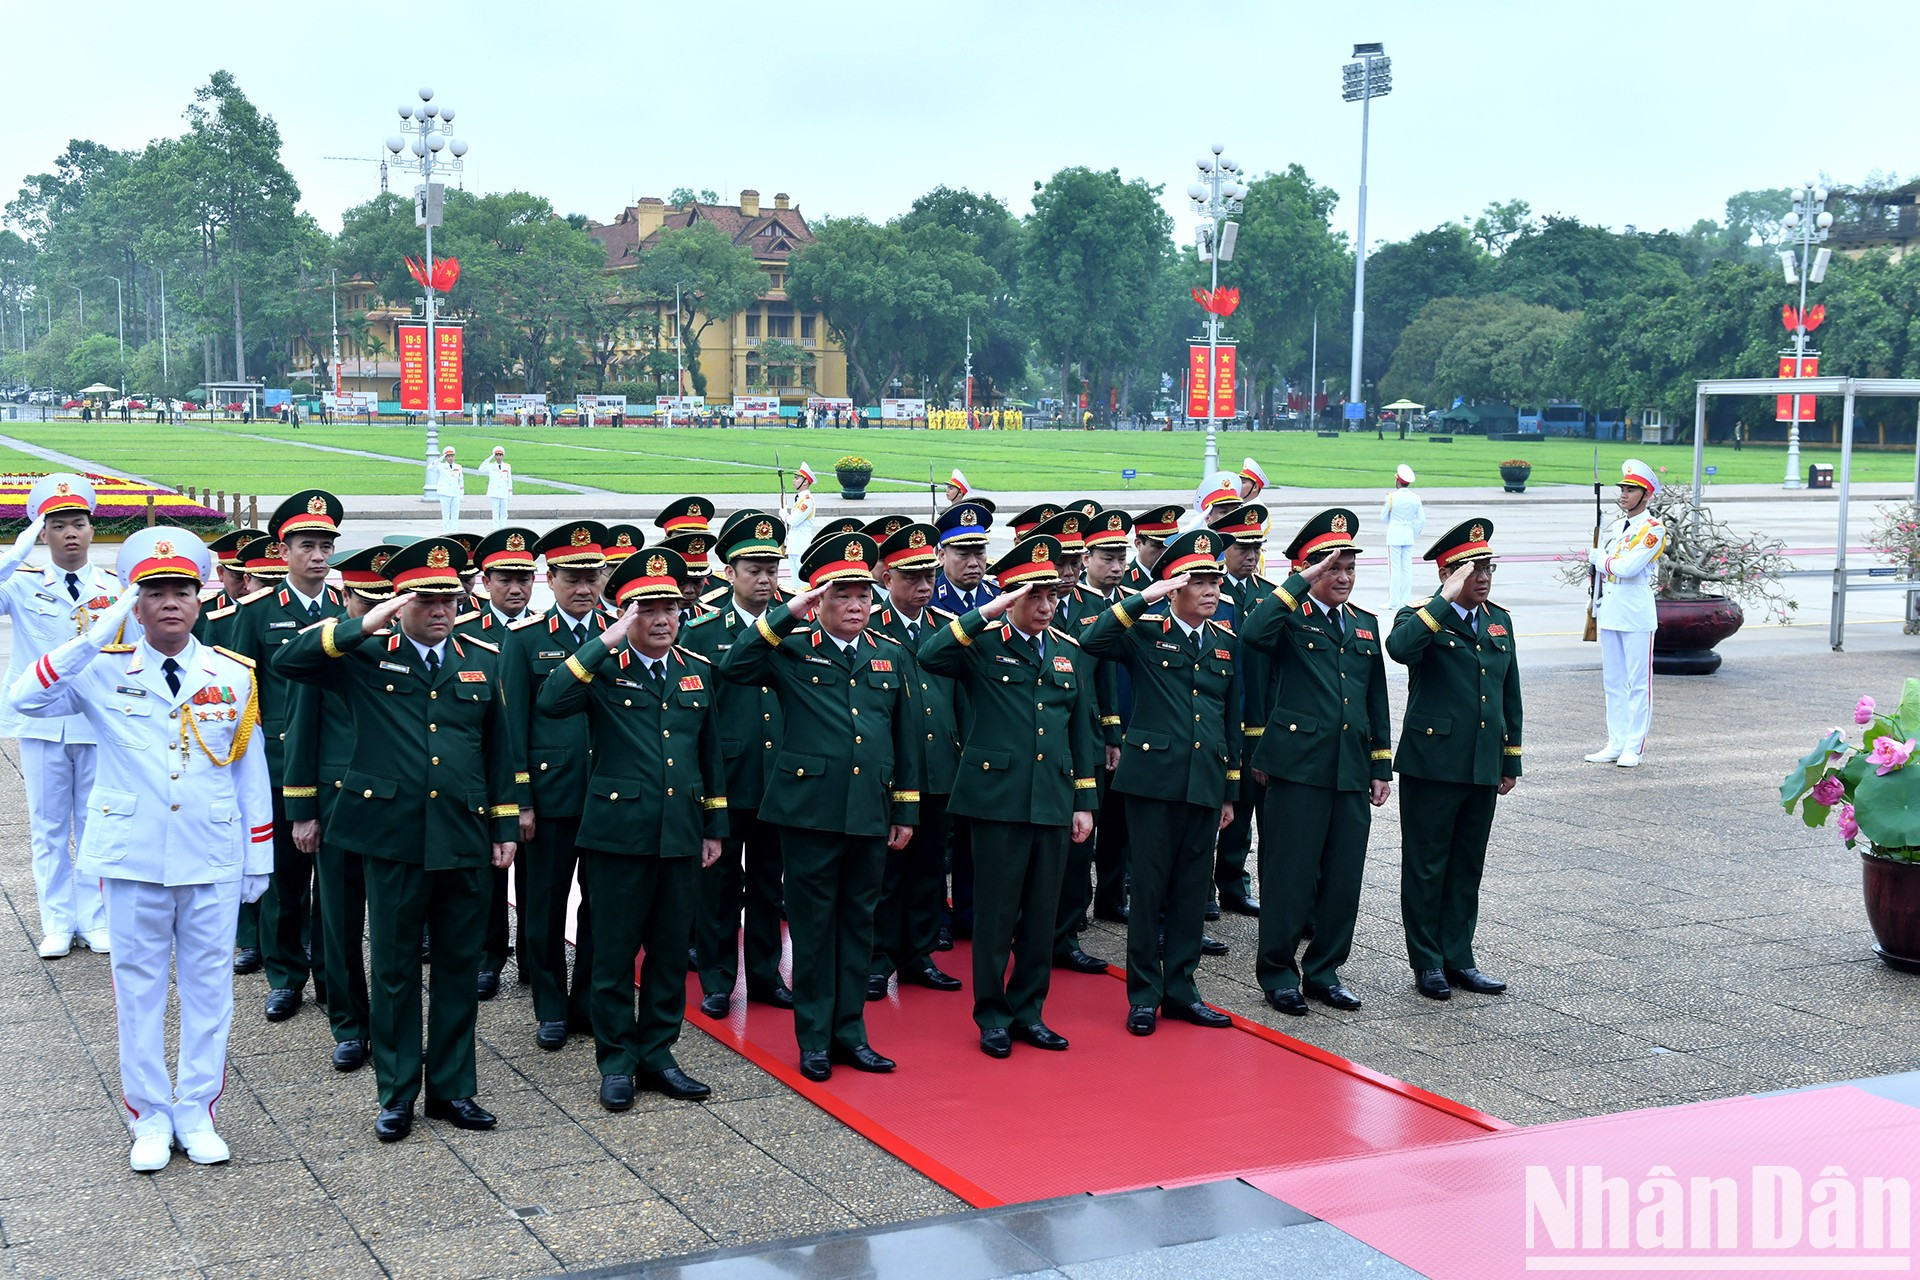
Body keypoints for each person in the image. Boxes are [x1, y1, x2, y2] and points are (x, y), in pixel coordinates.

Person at [8, 528, 271, 1171]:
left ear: (201, 599)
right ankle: (149, 1116)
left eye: (181, 590)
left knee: (210, 992)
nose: (169, 602)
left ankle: (197, 1110)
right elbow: (24, 698)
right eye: (154, 592)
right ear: (134, 601)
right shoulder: (101, 669)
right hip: (131, 857)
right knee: (138, 992)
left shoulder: (231, 674)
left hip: (210, 852)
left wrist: (258, 855)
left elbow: (250, 771)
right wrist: (92, 639)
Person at [274, 537, 521, 1142]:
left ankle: (453, 1088)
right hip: (392, 837)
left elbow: (498, 749)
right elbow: (289, 662)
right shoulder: (364, 654)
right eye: (426, 600)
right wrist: (366, 622)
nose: (441, 610)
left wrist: (504, 826)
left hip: (462, 834)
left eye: (449, 599)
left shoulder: (482, 658)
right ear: (401, 602)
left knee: (458, 968)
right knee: (393, 971)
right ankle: (397, 1092)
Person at [718, 533, 921, 1083]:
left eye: (863, 595)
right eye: (841, 596)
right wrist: (789, 612)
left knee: (858, 926)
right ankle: (813, 1040)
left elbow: (905, 738)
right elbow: (734, 666)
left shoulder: (889, 653)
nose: (855, 606)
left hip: (869, 810)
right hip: (809, 812)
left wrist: (905, 810)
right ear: (818, 599)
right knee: (812, 931)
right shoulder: (791, 648)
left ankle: (850, 1033)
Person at [538, 548, 726, 1111]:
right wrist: (608, 638)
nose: (663, 619)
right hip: (618, 834)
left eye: (670, 608)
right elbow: (551, 700)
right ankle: (617, 1059)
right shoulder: (602, 668)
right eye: (648, 610)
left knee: (668, 953)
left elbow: (709, 754)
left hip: (680, 831)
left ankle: (659, 1054)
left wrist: (713, 825)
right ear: (626, 614)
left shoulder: (696, 670)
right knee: (615, 954)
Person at [918, 534, 1098, 1057]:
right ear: (1011, 598)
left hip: (1052, 799)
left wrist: (1084, 802)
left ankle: (1029, 1011)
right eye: (1033, 597)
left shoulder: (1067, 651)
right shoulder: (983, 644)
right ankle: (992, 1015)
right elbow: (930, 655)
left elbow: (1079, 733)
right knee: (996, 917)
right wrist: (986, 612)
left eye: (1052, 597)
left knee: (1041, 916)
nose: (1045, 607)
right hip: (997, 800)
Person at [1080, 529, 1240, 1037]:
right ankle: (1145, 994)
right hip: (1153, 781)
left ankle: (1183, 990)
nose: (1211, 590)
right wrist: (1143, 597)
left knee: (1192, 890)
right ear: (1174, 588)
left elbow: (1229, 720)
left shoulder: (1223, 641)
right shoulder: (1146, 631)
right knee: (1149, 891)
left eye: (1215, 581)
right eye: (1200, 582)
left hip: (1204, 780)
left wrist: (1229, 791)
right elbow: (1092, 639)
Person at [1239, 509, 1392, 1016]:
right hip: (1298, 767)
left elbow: (1375, 700)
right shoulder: (1287, 615)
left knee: (1342, 880)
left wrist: (1379, 766)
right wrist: (1300, 582)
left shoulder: (1364, 624)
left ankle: (1325, 971)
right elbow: (1253, 634)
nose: (1343, 578)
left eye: (1349, 568)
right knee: (1289, 876)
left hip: (1349, 769)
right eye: (1333, 568)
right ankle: (1278, 973)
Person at [222, 490, 345, 1023]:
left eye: (325, 546)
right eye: (306, 546)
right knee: (284, 880)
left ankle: (331, 975)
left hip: (335, 764)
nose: (317, 556)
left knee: (335, 883)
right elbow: (237, 690)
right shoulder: (257, 611)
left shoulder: (345, 608)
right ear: (283, 550)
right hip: (276, 763)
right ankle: (285, 975)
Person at [280, 544, 403, 1072]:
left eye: (385, 602)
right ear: (346, 596)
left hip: (394, 806)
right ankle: (350, 1023)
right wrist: (303, 809)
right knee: (340, 918)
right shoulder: (326, 647)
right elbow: (300, 730)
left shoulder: (404, 649)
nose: (375, 613)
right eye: (366, 602)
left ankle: (392, 1026)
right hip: (336, 805)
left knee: (395, 924)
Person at [1388, 518, 1522, 1002]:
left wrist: (1510, 757)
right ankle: (1427, 961)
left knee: (1467, 865)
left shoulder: (1498, 620)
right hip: (1433, 763)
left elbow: (1509, 692)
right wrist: (1443, 600)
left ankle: (1459, 957)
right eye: (1472, 570)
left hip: (1482, 762)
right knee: (1427, 866)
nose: (1483, 578)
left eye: (1488, 568)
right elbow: (1399, 649)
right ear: (1448, 574)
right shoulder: (1420, 616)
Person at [0, 475, 125, 958]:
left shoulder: (114, 587)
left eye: (78, 523)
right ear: (42, 533)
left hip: (97, 722)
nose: (70, 533)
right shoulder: (21, 584)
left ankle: (94, 919)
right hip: (43, 722)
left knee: (96, 823)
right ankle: (56, 921)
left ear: (93, 530)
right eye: (57, 525)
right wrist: (15, 553)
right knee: (48, 826)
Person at [680, 511, 796, 1019]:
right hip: (726, 778)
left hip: (781, 777)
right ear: (729, 573)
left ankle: (767, 975)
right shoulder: (702, 630)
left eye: (772, 568)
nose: (765, 579)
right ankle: (718, 979)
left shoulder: (796, 621)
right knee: (720, 886)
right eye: (754, 569)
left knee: (770, 885)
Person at [504, 522, 614, 1050]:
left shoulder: (618, 632)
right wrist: (521, 799)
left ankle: (587, 1001)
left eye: (592, 577)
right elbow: (512, 727)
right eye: (573, 578)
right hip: (550, 795)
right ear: (551, 579)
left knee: (602, 905)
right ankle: (549, 1005)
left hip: (610, 794)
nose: (584, 588)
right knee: (544, 905)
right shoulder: (526, 639)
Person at [866, 522, 965, 997]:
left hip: (939, 764)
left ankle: (917, 955)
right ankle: (876, 957)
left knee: (929, 867)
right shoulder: (870, 627)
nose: (924, 586)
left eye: (929, 576)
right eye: (911, 577)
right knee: (885, 872)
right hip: (889, 770)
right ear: (887, 579)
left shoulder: (946, 627)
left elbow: (961, 700)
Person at [453, 527, 543, 998]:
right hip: (483, 771)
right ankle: (488, 957)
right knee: (489, 870)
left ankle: (532, 957)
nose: (516, 588)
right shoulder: (464, 632)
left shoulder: (545, 630)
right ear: (485, 582)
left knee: (536, 876)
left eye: (524, 579)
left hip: (539, 772)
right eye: (505, 579)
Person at [1208, 502, 1273, 919]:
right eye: (1242, 548)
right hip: (1220, 721)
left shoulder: (1269, 595)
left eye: (1256, 548)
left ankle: (1235, 885)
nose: (1250, 556)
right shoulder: (1211, 592)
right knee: (1220, 810)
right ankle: (1206, 890)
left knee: (1250, 810)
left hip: (1260, 722)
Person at [1584, 459, 1666, 769]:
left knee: (1638, 683)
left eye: (1631, 490)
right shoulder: (1617, 527)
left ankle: (1634, 746)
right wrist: (1595, 600)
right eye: (1623, 488)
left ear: (1646, 495)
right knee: (1613, 681)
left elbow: (1629, 567)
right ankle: (1615, 742)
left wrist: (1601, 559)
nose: (1624, 494)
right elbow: (1607, 572)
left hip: (1635, 610)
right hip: (1611, 607)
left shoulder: (1653, 529)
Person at [1380, 464, 1425, 613]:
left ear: (1398, 481)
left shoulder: (1391, 497)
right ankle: (1405, 601)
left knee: (1395, 569)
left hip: (1394, 534)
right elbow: (1421, 520)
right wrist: (1413, 532)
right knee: (1407, 569)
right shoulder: (1415, 498)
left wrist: (1394, 523)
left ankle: (1393, 601)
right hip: (1408, 535)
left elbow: (1383, 517)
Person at [1124, 505, 1182, 591]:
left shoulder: (1180, 577)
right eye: (1158, 546)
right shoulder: (1121, 580)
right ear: (1138, 544)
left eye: (1170, 546)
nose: (1165, 552)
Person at [782, 464, 818, 584]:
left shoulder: (807, 500)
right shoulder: (800, 499)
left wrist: (784, 515)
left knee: (802, 582)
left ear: (805, 482)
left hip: (801, 543)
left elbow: (794, 520)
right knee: (794, 581)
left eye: (797, 478)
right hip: (794, 543)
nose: (794, 480)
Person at [478, 447, 514, 527]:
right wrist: (489, 458)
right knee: (495, 513)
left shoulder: (507, 466)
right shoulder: (490, 466)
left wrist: (510, 493)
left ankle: (503, 528)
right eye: (497, 455)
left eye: (500, 455)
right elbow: (480, 469)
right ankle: (496, 529)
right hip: (494, 492)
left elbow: (509, 480)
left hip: (504, 492)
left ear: (503, 456)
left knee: (504, 513)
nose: (499, 457)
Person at [435, 447, 464, 531]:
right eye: (448, 456)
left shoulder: (458, 467)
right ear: (445, 457)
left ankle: (454, 531)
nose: (451, 458)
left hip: (455, 493)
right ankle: (446, 532)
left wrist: (461, 493)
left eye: (452, 456)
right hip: (445, 493)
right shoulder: (441, 466)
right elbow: (430, 467)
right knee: (446, 515)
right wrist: (440, 459)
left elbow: (461, 480)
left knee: (455, 514)